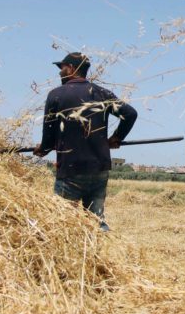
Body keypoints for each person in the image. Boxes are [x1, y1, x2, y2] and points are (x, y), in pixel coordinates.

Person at [34, 52, 137, 231]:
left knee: (63, 223)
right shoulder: (100, 93)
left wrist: (43, 148)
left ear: (72, 69)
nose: (60, 72)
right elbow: (130, 113)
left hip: (70, 170)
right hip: (99, 169)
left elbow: (49, 134)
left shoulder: (56, 95)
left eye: (62, 68)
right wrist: (117, 137)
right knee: (95, 221)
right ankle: (101, 252)